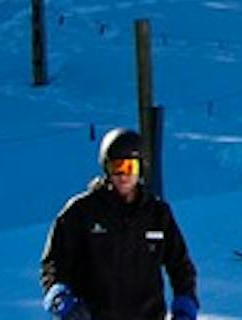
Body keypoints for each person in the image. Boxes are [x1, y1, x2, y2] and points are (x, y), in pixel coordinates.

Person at [41, 128, 199, 320]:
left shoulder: (157, 214)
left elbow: (180, 265)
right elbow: (55, 263)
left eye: (130, 167)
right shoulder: (82, 212)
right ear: (106, 168)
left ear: (141, 168)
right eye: (117, 168)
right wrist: (61, 299)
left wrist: (185, 305)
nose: (123, 176)